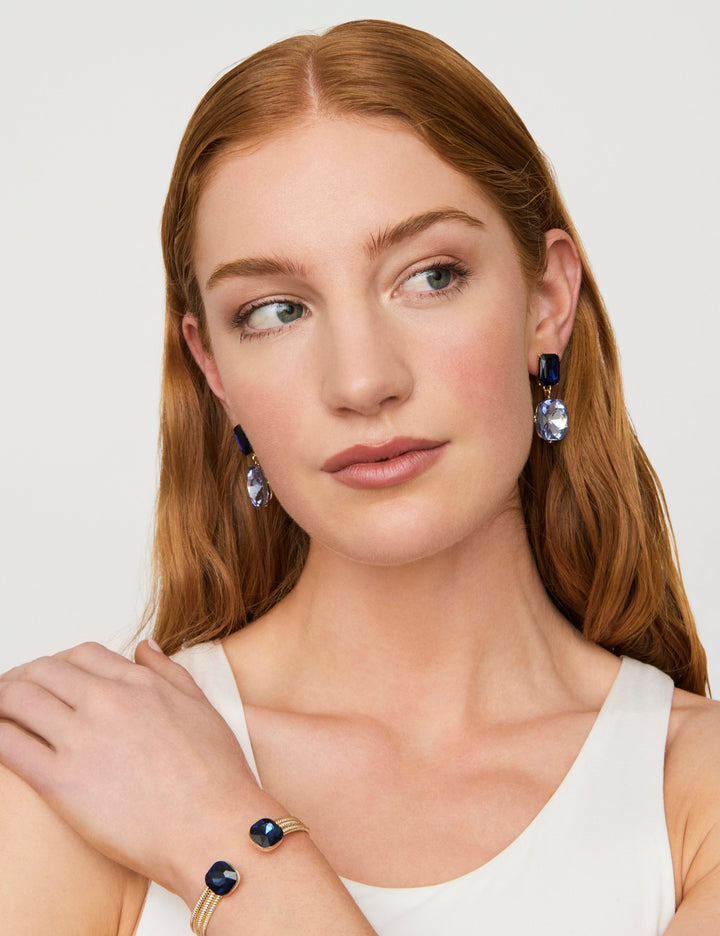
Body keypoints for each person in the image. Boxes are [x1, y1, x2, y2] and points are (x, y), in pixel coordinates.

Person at [0, 19, 718, 936]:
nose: (362, 380)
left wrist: (223, 837)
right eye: (275, 310)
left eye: (430, 276)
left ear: (547, 300)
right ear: (213, 366)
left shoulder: (694, 792)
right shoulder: (70, 778)